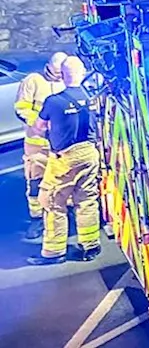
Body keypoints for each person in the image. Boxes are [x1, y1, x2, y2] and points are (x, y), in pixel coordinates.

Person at [27, 57, 100, 266]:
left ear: (62, 74)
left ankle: (53, 252)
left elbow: (39, 127)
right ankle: (90, 245)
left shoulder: (53, 101)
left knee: (52, 202)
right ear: (83, 72)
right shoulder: (92, 97)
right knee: (86, 200)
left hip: (65, 158)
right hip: (90, 153)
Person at [14, 53, 67, 242]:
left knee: (62, 182)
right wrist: (37, 123)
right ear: (49, 67)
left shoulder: (66, 81)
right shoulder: (33, 81)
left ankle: (62, 216)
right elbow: (21, 108)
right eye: (57, 72)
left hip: (60, 144)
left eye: (63, 73)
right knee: (36, 181)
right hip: (37, 143)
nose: (60, 76)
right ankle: (37, 219)